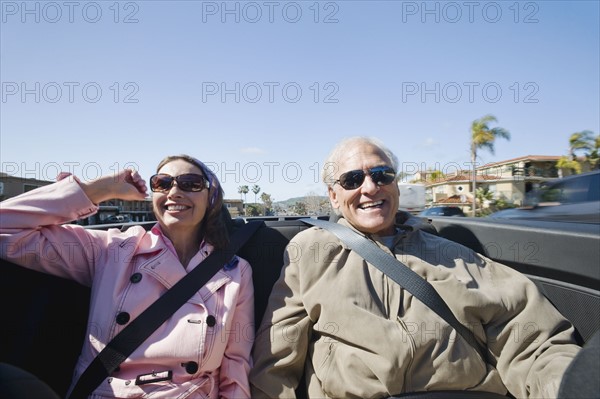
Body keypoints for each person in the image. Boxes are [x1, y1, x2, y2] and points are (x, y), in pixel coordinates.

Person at [249, 136, 582, 399]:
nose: (370, 187)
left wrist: (566, 385)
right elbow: (277, 356)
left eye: (381, 174)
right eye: (352, 179)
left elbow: (533, 342)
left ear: (395, 184)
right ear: (334, 197)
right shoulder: (311, 253)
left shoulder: (454, 255)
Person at [0, 155, 254, 399]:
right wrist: (97, 190)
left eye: (190, 183)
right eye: (162, 183)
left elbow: (235, 365)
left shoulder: (234, 271)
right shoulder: (111, 249)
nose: (174, 192)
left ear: (211, 197)